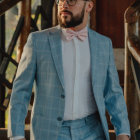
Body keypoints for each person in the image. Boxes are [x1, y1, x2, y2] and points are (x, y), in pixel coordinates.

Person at [8, 0, 130, 140]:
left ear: (89, 6)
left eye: (71, 0)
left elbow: (113, 93)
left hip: (93, 131)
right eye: (60, 0)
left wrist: (123, 132)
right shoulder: (37, 41)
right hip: (51, 133)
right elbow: (20, 92)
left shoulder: (103, 44)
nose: (64, 5)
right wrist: (17, 136)